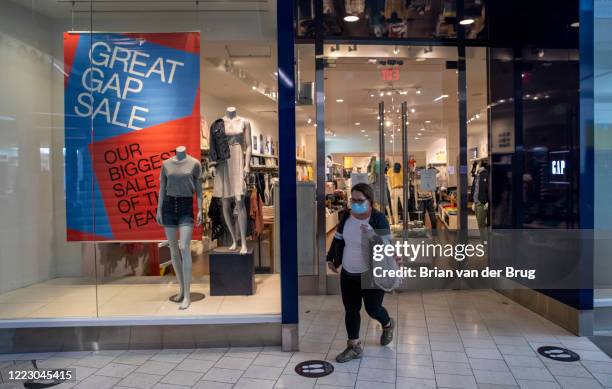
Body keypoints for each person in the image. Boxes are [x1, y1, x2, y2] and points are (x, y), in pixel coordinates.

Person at [326, 183, 395, 363]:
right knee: (351, 310)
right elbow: (338, 239)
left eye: (360, 200)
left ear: (370, 202)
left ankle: (387, 324)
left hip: (371, 274)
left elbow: (389, 248)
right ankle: (354, 346)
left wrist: (373, 235)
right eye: (353, 200)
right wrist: (330, 258)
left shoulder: (378, 219)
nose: (355, 204)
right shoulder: (346, 218)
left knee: (373, 309)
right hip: (349, 273)